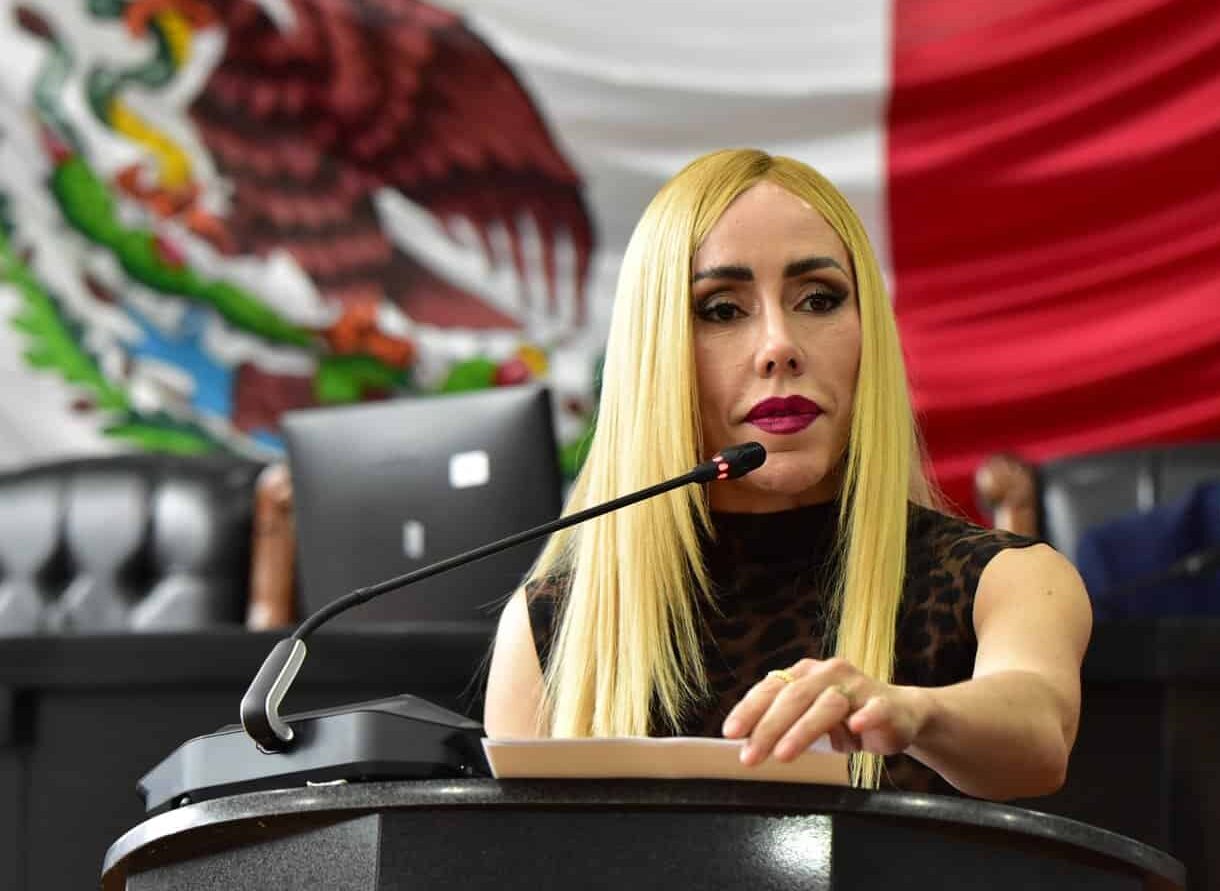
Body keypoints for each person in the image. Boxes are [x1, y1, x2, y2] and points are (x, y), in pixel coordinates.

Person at [484, 148, 1092, 799]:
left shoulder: (1007, 580)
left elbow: (1039, 731)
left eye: (818, 299)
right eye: (722, 309)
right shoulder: (557, 626)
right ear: (656, 352)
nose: (779, 345)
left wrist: (913, 711)